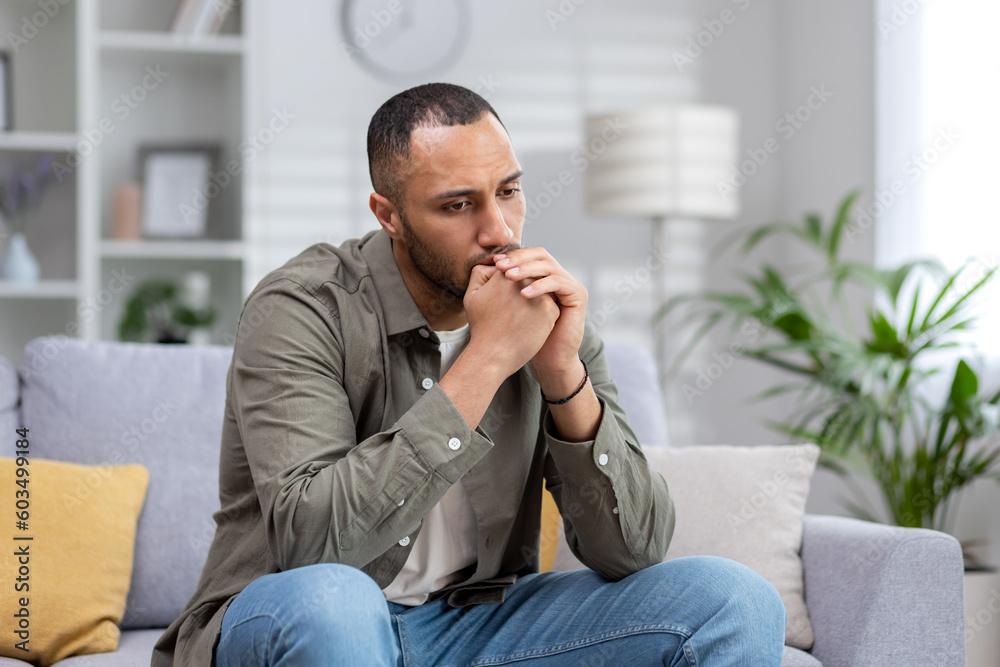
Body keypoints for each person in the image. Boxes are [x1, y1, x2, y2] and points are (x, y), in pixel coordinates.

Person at [151, 82, 787, 667]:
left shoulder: (547, 313)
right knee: (336, 606)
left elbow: (635, 552)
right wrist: (487, 358)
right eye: (458, 205)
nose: (499, 231)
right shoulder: (302, 307)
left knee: (734, 602)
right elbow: (315, 549)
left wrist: (562, 370)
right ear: (389, 214)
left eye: (508, 190)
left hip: (476, 623)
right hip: (301, 619)